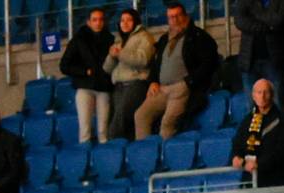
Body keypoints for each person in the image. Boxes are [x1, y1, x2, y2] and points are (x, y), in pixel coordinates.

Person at [136, 3, 219, 139]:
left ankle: (165, 155)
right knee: (140, 115)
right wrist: (153, 81)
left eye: (177, 16)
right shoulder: (164, 39)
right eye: (171, 17)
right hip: (162, 89)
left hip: (182, 88)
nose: (174, 20)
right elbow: (157, 65)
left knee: (167, 123)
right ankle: (145, 153)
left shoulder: (199, 36)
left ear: (185, 16)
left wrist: (189, 82)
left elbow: (209, 63)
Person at [62, 8, 116, 143]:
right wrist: (84, 71)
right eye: (94, 20)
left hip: (103, 87)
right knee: (85, 130)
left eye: (101, 20)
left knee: (103, 132)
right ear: (88, 22)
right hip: (85, 86)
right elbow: (64, 65)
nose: (98, 23)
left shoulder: (110, 39)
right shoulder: (78, 39)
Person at [105, 10, 156, 142]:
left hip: (136, 84)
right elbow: (107, 68)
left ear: (136, 22)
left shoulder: (145, 37)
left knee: (118, 123)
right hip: (118, 87)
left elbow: (143, 60)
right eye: (122, 20)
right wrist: (111, 56)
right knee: (123, 124)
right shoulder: (119, 40)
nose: (125, 23)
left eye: (129, 20)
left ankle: (112, 152)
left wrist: (121, 54)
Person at [235, 0, 284, 93]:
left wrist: (254, 13)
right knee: (252, 105)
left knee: (278, 103)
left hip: (274, 59)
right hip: (249, 60)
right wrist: (266, 27)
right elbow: (239, 21)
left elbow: (278, 20)